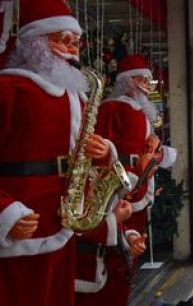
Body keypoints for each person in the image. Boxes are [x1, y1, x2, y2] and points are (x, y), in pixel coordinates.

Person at [0, 1, 122, 305]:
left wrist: (105, 152)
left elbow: (83, 159)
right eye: (61, 39)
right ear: (34, 41)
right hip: (20, 230)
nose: (71, 48)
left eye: (75, 41)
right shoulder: (10, 89)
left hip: (64, 226)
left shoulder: (77, 96)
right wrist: (4, 211)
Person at [75, 54, 177, 306]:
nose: (145, 84)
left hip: (139, 184)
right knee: (114, 249)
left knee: (131, 247)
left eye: (147, 80)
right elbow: (99, 150)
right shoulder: (112, 108)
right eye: (141, 78)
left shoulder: (141, 112)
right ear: (127, 81)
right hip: (121, 186)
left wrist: (155, 153)